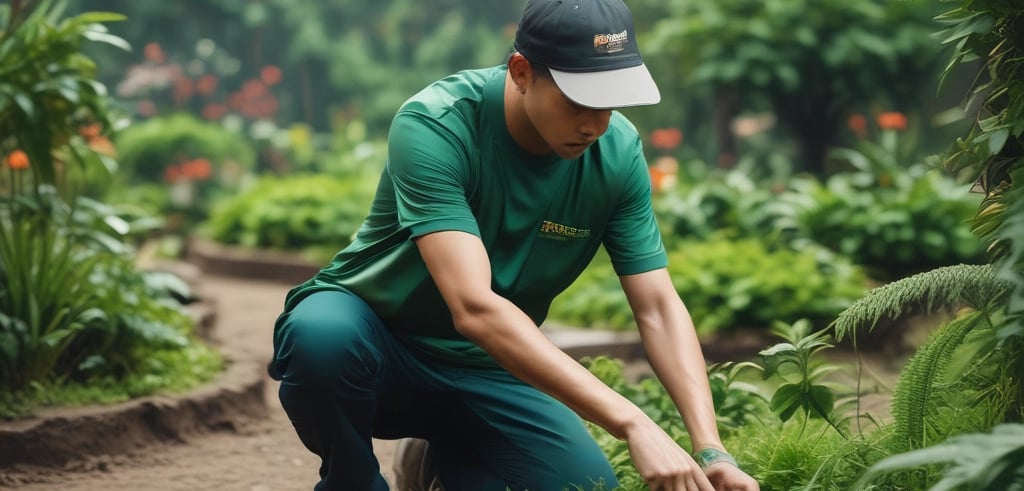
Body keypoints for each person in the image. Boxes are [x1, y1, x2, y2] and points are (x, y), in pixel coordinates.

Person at [268, 0, 761, 489]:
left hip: (493, 367)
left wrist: (711, 449)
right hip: (381, 349)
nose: (594, 125)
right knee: (321, 337)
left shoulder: (616, 155)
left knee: (583, 486)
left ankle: (435, 461)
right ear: (522, 72)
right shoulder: (437, 124)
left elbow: (657, 307)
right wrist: (634, 423)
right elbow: (474, 307)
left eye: (610, 103)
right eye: (579, 101)